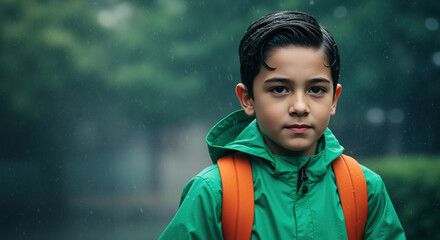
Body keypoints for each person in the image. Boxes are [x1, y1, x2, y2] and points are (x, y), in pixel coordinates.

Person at [160, 11, 405, 239]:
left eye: (316, 90)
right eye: (279, 89)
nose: (300, 106)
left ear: (334, 99)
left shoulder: (363, 190)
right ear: (248, 99)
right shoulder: (214, 193)